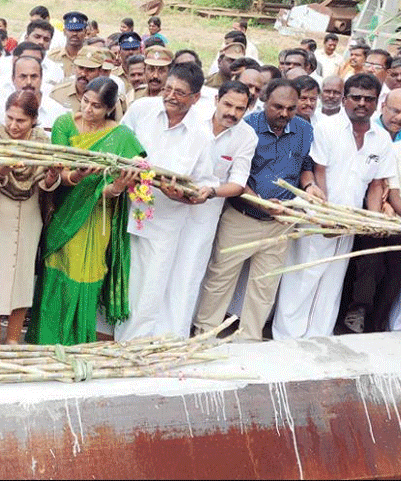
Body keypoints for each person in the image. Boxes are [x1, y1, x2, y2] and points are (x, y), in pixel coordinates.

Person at [193, 79, 319, 341]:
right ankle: (203, 336)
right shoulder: (247, 127)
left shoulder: (305, 130)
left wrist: (310, 186)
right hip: (242, 218)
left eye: (291, 108)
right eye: (277, 107)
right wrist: (262, 203)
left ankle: (250, 341)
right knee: (220, 279)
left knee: (265, 286)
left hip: (281, 223)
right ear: (263, 101)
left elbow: (305, 163)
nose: (284, 114)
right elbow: (238, 178)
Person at [273, 74, 394, 339]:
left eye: (368, 99)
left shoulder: (381, 139)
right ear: (344, 98)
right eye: (355, 97)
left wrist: (372, 222)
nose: (361, 103)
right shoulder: (326, 128)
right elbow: (318, 171)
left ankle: (318, 338)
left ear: (377, 102)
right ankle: (287, 338)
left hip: (350, 222)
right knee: (303, 277)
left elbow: (376, 185)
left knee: (331, 282)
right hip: (318, 217)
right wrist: (323, 216)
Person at [28, 77, 144, 345]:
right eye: (85, 102)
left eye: (97, 106)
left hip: (96, 216)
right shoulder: (64, 125)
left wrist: (115, 188)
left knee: (85, 273)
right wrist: (78, 176)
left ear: (110, 108)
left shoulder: (121, 136)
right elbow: (58, 173)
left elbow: (125, 180)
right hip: (64, 212)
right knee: (57, 268)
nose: (89, 110)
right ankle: (46, 340)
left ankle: (77, 341)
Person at [116, 63, 215, 340]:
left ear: (195, 98)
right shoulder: (142, 110)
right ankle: (104, 340)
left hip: (164, 222)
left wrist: (185, 196)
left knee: (149, 288)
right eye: (168, 88)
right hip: (123, 209)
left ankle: (133, 345)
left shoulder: (200, 136)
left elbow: (204, 183)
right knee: (117, 278)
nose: (170, 95)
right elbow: (118, 142)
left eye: (180, 92)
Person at [0, 90, 60, 344]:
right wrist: (1, 169)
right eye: (10, 118)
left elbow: (47, 184)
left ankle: (13, 340)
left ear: (34, 120)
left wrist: (51, 178)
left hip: (28, 214)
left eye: (21, 121)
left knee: (23, 277)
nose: (14, 126)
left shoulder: (42, 141)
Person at [164, 81, 258, 339]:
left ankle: (176, 336)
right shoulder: (194, 119)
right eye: (228, 104)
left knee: (189, 273)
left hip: (205, 213)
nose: (232, 113)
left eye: (240, 108)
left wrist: (212, 192)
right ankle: (148, 330)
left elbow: (238, 182)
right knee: (161, 266)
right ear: (216, 99)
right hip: (168, 203)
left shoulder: (246, 136)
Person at [339, 87, 401, 333]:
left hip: (393, 215)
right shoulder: (366, 130)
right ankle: (356, 311)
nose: (398, 117)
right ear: (383, 106)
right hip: (364, 211)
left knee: (395, 268)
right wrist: (380, 207)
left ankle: (378, 322)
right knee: (369, 263)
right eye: (395, 111)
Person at [50, 45, 127, 120]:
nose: (83, 74)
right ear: (74, 68)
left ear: (100, 71)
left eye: (90, 70)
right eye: (80, 68)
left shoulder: (111, 98)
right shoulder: (58, 93)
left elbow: (117, 128)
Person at [47, 11, 88, 78]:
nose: (74, 34)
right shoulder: (53, 56)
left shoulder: (91, 56)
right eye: (71, 30)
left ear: (85, 32)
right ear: (64, 32)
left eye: (78, 30)